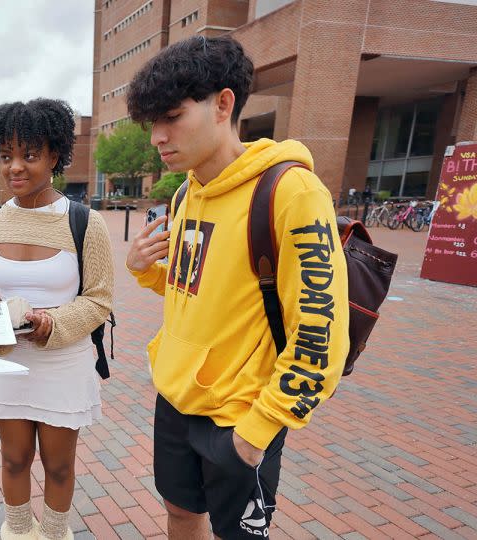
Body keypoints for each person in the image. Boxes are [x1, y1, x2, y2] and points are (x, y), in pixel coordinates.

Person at [124, 36, 349, 539]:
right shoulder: (186, 194)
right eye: (151, 123)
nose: (158, 137)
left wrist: (260, 430)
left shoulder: (291, 192)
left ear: (223, 104)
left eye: (172, 117)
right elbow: (202, 291)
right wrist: (147, 270)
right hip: (176, 400)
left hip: (243, 415)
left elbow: (323, 330)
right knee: (180, 516)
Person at [0, 98, 114, 540]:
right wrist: (2, 320)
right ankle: (18, 531)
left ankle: (53, 534)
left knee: (60, 465)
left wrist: (54, 324)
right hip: (8, 362)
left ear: (55, 156)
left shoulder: (85, 223)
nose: (15, 167)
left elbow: (99, 299)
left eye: (29, 155)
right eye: (6, 155)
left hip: (64, 364)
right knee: (13, 460)